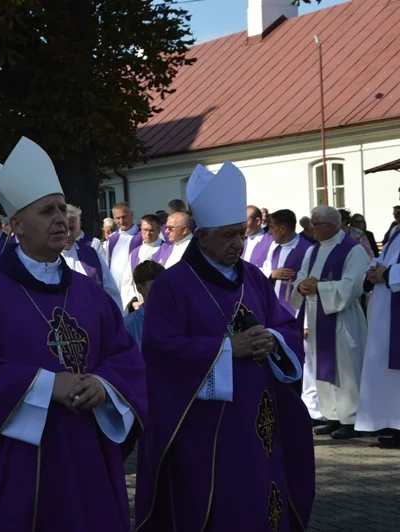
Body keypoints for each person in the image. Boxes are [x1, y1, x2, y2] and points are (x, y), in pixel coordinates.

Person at [0, 137, 147, 531]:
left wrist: (105, 387)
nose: (60, 219)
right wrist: (47, 386)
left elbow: (127, 357)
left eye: (62, 209)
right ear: (15, 225)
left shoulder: (89, 292)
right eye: (46, 210)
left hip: (88, 453)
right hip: (20, 464)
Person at [135, 162, 313, 532]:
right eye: (228, 237)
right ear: (201, 238)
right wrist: (228, 348)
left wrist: (274, 340)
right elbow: (160, 350)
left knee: (266, 499)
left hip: (263, 417)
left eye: (241, 236)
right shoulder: (173, 285)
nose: (238, 245)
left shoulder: (253, 277)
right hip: (208, 428)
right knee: (225, 506)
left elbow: (284, 325)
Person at [291, 205, 369, 440]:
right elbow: (301, 276)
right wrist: (302, 286)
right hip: (316, 315)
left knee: (346, 369)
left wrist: (319, 287)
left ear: (329, 226)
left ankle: (351, 418)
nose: (310, 228)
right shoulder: (313, 251)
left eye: (314, 224)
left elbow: (352, 286)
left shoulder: (353, 250)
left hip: (342, 318)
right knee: (321, 365)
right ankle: (332, 415)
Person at [260, 209, 320, 417]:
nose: (269, 232)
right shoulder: (274, 248)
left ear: (283, 228)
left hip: (297, 312)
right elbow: (266, 268)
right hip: (276, 311)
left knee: (303, 359)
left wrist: (305, 322)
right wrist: (272, 274)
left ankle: (306, 406)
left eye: (272, 228)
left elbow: (307, 283)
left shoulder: (306, 249)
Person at [355, 217, 400, 444]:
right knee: (387, 368)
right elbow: (381, 260)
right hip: (386, 311)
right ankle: (392, 422)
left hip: (395, 306)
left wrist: (389, 274)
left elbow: (389, 268)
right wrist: (373, 272)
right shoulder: (396, 232)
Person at [61, 204, 122, 311]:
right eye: (64, 229)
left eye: (72, 228)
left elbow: (110, 290)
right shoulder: (45, 257)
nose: (68, 234)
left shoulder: (91, 254)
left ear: (78, 226)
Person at [120, 214, 172, 311]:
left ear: (159, 230)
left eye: (151, 230)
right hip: (138, 306)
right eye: (145, 230)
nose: (148, 234)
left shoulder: (167, 250)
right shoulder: (135, 253)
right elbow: (127, 281)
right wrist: (133, 302)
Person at [123, 260, 165, 349]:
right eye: (156, 285)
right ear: (140, 289)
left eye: (165, 284)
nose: (162, 289)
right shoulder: (128, 326)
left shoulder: (178, 319)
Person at [106, 202, 143, 288]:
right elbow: (107, 264)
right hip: (115, 286)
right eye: (118, 218)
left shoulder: (141, 236)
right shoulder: (112, 239)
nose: (121, 221)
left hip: (133, 286)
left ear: (132, 214)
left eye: (124, 217)